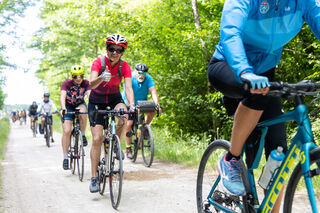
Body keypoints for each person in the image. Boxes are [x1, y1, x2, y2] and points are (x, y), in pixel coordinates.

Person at [207, 0, 320, 212]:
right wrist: (244, 71)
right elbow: (230, 32)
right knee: (255, 94)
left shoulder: (304, 2)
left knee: (279, 153)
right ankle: (231, 159)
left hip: (264, 76)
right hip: (228, 65)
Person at [88, 34, 134, 193]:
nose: (114, 52)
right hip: (96, 100)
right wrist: (101, 77)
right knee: (97, 139)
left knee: (123, 114)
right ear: (107, 49)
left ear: (122, 52)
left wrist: (132, 104)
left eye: (118, 50)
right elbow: (91, 85)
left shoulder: (124, 66)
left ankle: (116, 144)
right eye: (111, 49)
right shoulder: (98, 62)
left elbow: (128, 88)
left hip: (114, 98)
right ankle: (94, 177)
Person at [121, 62, 162, 159]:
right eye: (139, 73)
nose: (141, 75)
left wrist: (157, 105)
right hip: (128, 102)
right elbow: (127, 91)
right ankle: (128, 148)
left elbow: (153, 92)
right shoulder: (130, 77)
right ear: (135, 72)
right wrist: (130, 105)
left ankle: (144, 128)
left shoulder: (148, 78)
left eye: (143, 73)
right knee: (129, 124)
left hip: (141, 102)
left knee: (153, 110)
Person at [60, 65, 91, 170]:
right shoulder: (66, 84)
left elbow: (90, 95)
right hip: (68, 106)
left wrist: (93, 106)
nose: (78, 79)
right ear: (72, 76)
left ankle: (82, 134)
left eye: (80, 76)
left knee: (83, 111)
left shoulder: (86, 83)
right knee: (67, 131)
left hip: (80, 104)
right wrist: (63, 108)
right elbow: (63, 96)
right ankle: (65, 158)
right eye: (75, 76)